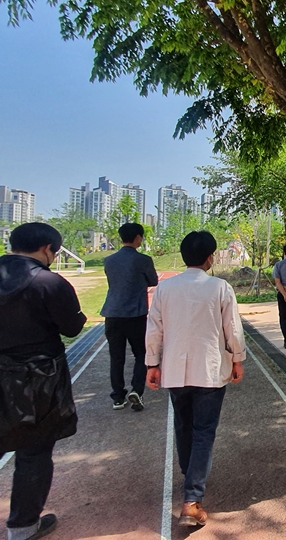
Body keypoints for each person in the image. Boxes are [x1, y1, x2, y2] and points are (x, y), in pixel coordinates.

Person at [145, 231, 245, 527]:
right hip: (210, 370)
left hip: (175, 370)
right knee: (203, 431)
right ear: (210, 257)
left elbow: (155, 329)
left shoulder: (165, 289)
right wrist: (237, 359)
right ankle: (192, 499)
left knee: (183, 426)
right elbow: (232, 329)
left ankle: (190, 478)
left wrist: (152, 363)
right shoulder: (220, 287)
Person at [0, 222, 86, 540]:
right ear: (48, 249)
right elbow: (72, 327)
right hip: (37, 378)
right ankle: (22, 527)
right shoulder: (49, 282)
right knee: (33, 451)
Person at [100, 222, 158, 411]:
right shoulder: (143, 260)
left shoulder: (109, 260)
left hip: (112, 313)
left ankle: (118, 397)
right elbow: (153, 280)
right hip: (135, 314)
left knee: (116, 356)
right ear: (138, 238)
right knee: (141, 353)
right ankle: (137, 390)